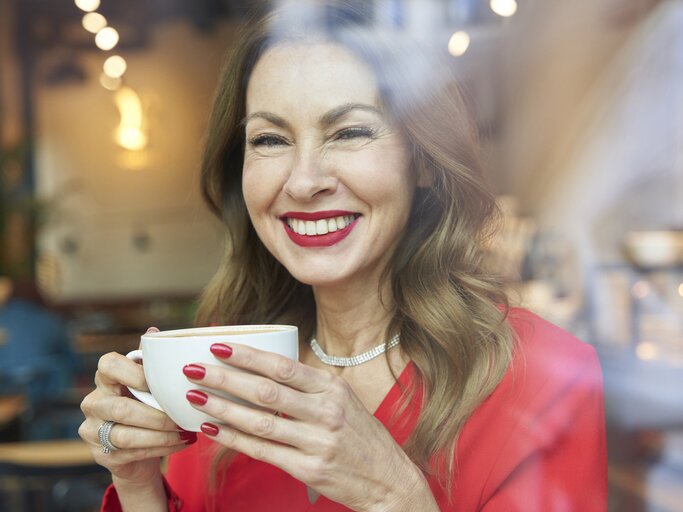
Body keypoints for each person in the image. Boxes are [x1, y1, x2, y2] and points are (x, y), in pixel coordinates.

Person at [78, 2, 607, 510]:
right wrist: (137, 483)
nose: (304, 181)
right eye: (269, 140)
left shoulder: (543, 378)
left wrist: (393, 496)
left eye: (350, 132)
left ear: (421, 160)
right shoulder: (224, 371)